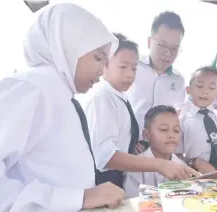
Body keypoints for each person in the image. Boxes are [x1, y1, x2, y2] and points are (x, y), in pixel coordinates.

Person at [0, 4, 124, 212]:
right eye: (98, 58)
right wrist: (78, 197)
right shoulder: (30, 90)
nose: (102, 70)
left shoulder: (62, 98)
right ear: (65, 46)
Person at [84, 33, 198, 189]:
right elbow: (104, 156)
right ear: (105, 66)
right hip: (103, 179)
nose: (130, 73)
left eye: (134, 68)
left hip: (116, 176)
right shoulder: (103, 99)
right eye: (123, 67)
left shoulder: (120, 99)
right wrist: (159, 165)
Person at [126, 11, 186, 152]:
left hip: (160, 150)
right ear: (149, 42)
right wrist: (128, 142)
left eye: (174, 49)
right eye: (162, 45)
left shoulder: (179, 81)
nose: (168, 53)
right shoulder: (132, 67)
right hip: (129, 145)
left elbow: (177, 118)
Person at [176, 66, 217, 174]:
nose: (205, 92)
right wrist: (194, 163)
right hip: (197, 177)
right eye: (199, 86)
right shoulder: (181, 121)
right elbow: (176, 155)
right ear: (188, 90)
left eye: (211, 88)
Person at [123, 105, 187, 198]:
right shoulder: (134, 169)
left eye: (176, 130)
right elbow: (132, 204)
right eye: (164, 129)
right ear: (146, 135)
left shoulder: (182, 167)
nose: (171, 135)